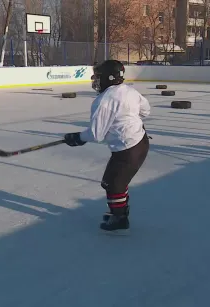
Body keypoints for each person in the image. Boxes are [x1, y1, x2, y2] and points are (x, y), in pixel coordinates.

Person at [63, 60, 150, 233]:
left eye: (99, 76)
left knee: (113, 184)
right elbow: (146, 111)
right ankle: (119, 211)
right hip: (141, 142)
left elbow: (97, 134)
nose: (95, 79)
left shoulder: (104, 101)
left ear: (109, 78)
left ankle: (119, 218)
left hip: (128, 150)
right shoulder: (130, 91)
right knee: (114, 181)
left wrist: (78, 137)